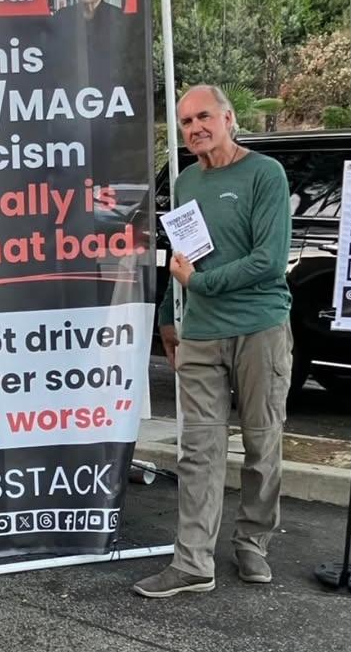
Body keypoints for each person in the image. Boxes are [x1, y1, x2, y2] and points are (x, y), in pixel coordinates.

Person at [133, 85, 292, 598]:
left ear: (228, 117)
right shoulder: (183, 185)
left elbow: (267, 261)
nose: (195, 127)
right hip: (200, 331)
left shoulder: (264, 174)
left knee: (262, 441)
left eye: (203, 116)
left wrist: (199, 285)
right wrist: (167, 319)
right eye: (185, 122)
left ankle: (253, 541)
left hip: (259, 328)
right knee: (198, 448)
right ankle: (193, 561)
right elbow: (181, 260)